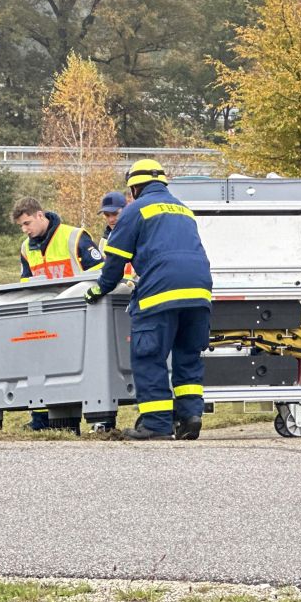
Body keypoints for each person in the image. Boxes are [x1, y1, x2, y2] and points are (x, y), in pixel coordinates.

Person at [85, 159, 213, 441]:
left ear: (134, 186)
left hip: (162, 289)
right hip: (200, 291)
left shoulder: (136, 210)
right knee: (188, 356)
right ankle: (190, 417)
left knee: (149, 355)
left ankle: (156, 424)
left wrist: (100, 289)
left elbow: (116, 258)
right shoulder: (183, 209)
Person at [12, 196, 104, 430]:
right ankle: (42, 421)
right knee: (38, 367)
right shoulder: (26, 248)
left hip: (79, 316)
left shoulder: (74, 237)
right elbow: (26, 286)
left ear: (40, 215)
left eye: (27, 223)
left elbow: (100, 273)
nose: (25, 230)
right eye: (21, 226)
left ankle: (98, 420)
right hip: (45, 319)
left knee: (82, 369)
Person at [98, 191, 134, 278]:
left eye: (115, 214)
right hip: (116, 290)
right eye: (107, 215)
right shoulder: (104, 241)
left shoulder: (138, 233)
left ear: (126, 210)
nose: (111, 219)